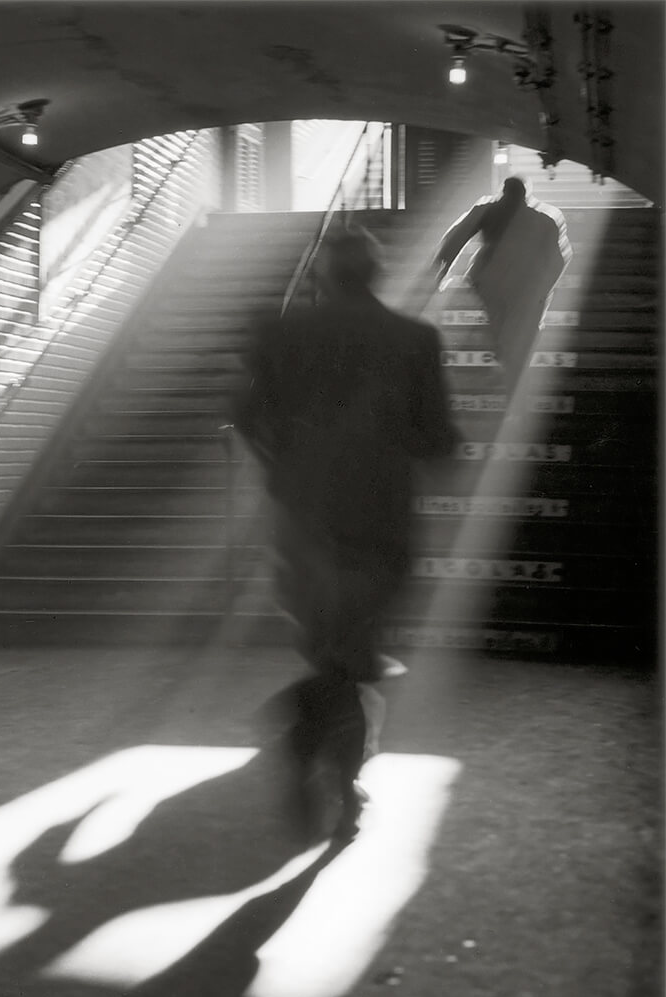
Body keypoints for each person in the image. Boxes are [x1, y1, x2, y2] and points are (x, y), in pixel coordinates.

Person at [233, 225, 458, 841]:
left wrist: (286, 470)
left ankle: (328, 761)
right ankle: (323, 754)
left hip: (303, 520)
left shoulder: (279, 335)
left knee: (330, 649)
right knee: (352, 654)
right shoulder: (415, 340)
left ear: (321, 277)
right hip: (379, 521)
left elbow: (247, 418)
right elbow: (437, 439)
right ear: (377, 274)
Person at [433, 175, 572, 398]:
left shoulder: (489, 211)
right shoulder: (543, 220)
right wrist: (543, 289)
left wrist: (441, 270)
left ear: (503, 192)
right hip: (524, 287)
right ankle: (513, 378)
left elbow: (456, 237)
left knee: (501, 330)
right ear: (525, 196)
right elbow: (558, 259)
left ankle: (508, 371)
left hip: (493, 283)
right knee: (515, 333)